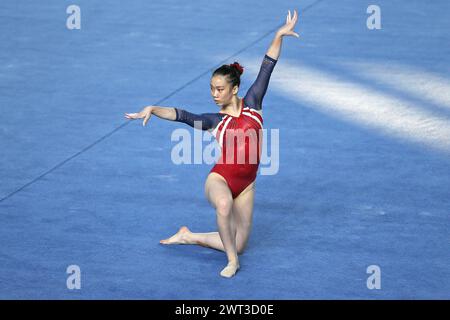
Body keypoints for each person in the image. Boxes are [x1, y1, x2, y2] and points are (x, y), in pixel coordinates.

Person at [125, 9, 299, 278]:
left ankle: (188, 236)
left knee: (240, 243)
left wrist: (279, 35)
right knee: (223, 207)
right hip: (220, 179)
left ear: (234, 89)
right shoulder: (214, 121)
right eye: (211, 88)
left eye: (219, 89)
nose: (214, 94)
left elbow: (268, 66)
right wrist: (153, 108)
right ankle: (231, 262)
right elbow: (182, 115)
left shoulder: (253, 104)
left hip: (247, 186)